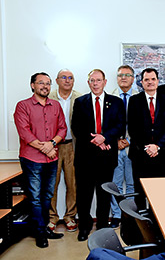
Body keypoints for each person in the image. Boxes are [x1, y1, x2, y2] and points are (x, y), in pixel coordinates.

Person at [14, 72, 67, 248]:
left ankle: (44, 229)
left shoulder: (56, 106)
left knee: (47, 196)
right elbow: (24, 132)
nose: (45, 86)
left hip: (52, 158)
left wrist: (51, 144)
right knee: (35, 198)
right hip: (32, 159)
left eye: (48, 83)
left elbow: (62, 129)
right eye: (41, 83)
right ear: (32, 85)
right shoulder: (22, 106)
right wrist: (46, 148)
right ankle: (39, 233)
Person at [71, 69, 126, 241]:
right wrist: (97, 140)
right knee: (84, 195)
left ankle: (102, 226)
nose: (95, 83)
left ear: (105, 82)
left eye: (98, 80)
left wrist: (105, 137)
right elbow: (76, 127)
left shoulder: (116, 102)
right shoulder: (80, 102)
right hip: (85, 157)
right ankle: (84, 227)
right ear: (88, 83)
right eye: (92, 80)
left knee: (104, 194)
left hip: (106, 157)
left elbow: (120, 126)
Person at [128, 68, 165, 210]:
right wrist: (147, 147)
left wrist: (157, 146)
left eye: (153, 79)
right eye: (146, 80)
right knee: (140, 192)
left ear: (158, 81)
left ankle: (156, 223)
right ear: (141, 82)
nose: (150, 82)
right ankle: (142, 225)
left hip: (160, 154)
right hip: (140, 154)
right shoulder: (134, 100)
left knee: (159, 192)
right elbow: (132, 128)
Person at [48, 69, 82, 233]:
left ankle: (70, 217)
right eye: (64, 77)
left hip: (72, 146)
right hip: (52, 147)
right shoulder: (49, 97)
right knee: (51, 184)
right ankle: (52, 218)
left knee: (72, 184)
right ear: (57, 80)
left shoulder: (80, 97)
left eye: (71, 78)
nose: (67, 80)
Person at [109, 65, 138, 229]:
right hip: (115, 146)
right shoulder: (110, 96)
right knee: (116, 184)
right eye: (120, 75)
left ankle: (131, 215)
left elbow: (142, 124)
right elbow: (105, 124)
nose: (124, 78)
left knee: (132, 183)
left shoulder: (139, 96)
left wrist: (129, 140)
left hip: (132, 146)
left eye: (127, 75)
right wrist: (116, 141)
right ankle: (117, 215)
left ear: (133, 78)